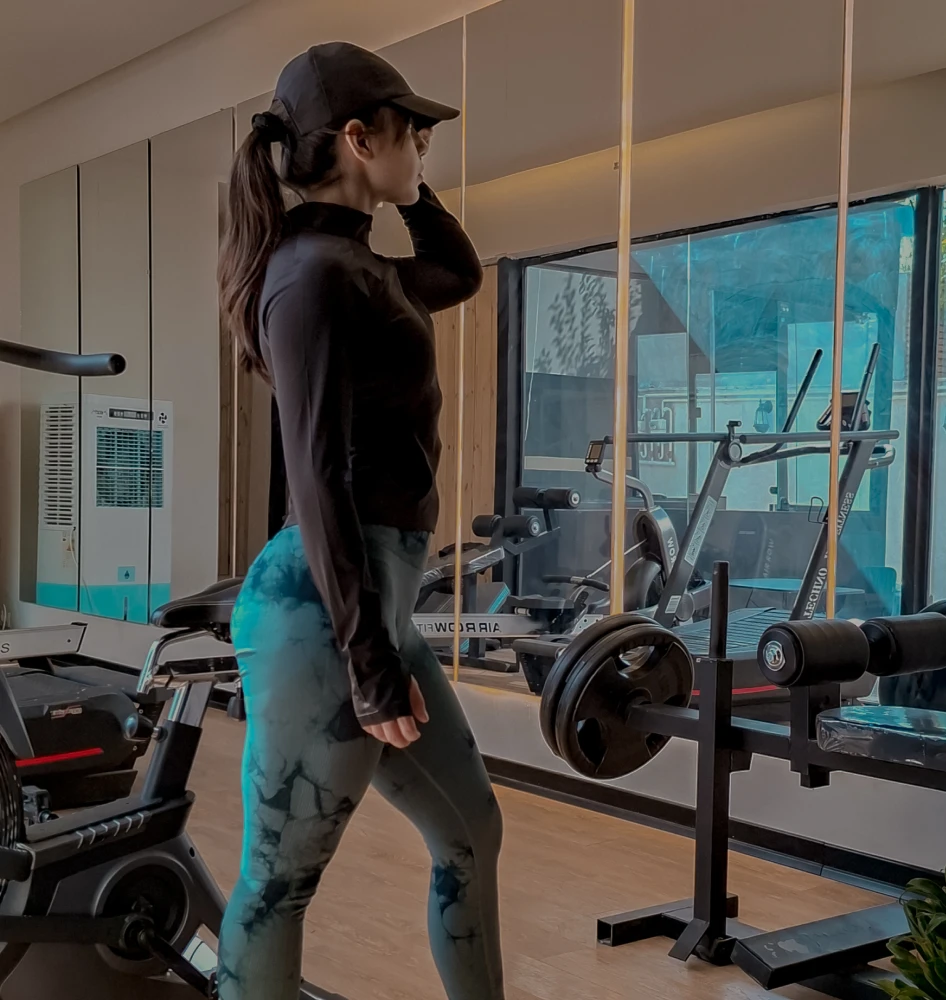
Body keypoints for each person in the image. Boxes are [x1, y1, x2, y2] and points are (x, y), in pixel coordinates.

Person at [216, 41, 503, 1000]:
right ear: (356, 137)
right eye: (409, 129)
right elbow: (317, 476)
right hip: (323, 617)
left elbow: (457, 270)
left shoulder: (362, 268)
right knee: (279, 885)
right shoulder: (309, 278)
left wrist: (410, 186)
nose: (423, 144)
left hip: (376, 608)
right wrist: (369, 663)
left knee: (472, 833)